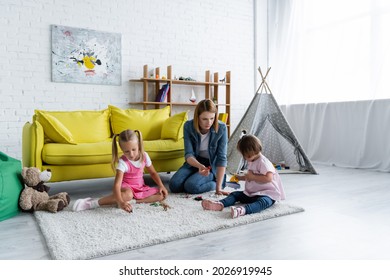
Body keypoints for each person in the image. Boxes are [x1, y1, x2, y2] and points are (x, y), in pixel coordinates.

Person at [73, 129, 168, 213]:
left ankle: (133, 201)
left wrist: (161, 185)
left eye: (134, 149)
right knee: (128, 195)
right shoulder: (123, 162)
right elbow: (117, 185)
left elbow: (153, 173)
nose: (131, 154)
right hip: (126, 187)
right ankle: (92, 203)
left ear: (138, 145)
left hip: (140, 187)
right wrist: (121, 202)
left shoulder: (144, 156)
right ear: (122, 149)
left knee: (162, 195)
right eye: (127, 151)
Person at [201, 132, 285, 218]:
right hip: (252, 193)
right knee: (235, 194)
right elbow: (251, 176)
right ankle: (220, 204)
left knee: (263, 202)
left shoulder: (263, 162)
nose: (244, 158)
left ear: (250, 153)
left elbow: (268, 178)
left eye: (245, 156)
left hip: (267, 194)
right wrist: (241, 178)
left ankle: (242, 210)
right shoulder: (251, 160)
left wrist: (252, 177)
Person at [169, 99, 229, 195]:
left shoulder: (222, 128)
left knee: (191, 186)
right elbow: (189, 154)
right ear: (197, 117)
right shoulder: (188, 126)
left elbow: (222, 158)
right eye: (204, 119)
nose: (209, 122)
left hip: (211, 166)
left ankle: (216, 182)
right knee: (174, 185)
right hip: (194, 162)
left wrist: (218, 188)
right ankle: (195, 177)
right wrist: (199, 166)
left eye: (212, 118)